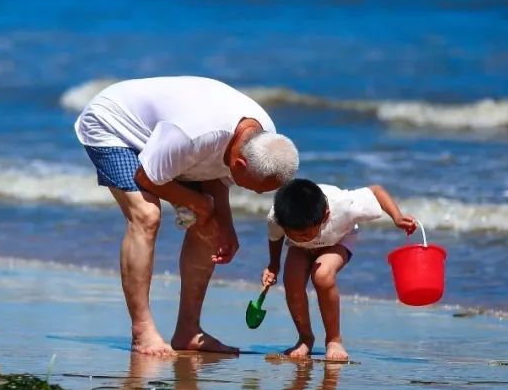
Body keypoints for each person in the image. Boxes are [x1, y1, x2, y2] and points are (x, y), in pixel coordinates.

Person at [75, 76, 299, 357]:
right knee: (146, 215)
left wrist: (225, 226)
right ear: (239, 164)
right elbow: (147, 176)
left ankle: (188, 331)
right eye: (256, 188)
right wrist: (199, 204)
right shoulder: (194, 134)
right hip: (114, 123)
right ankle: (142, 331)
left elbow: (216, 174)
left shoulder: (265, 139)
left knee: (209, 224)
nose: (257, 194)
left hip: (170, 141)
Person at [261, 178, 416, 362]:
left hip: (339, 240)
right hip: (298, 249)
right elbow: (275, 237)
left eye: (304, 234)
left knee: (322, 275)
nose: (301, 237)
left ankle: (334, 340)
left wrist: (397, 217)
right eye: (292, 233)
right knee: (291, 279)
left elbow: (375, 190)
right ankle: (305, 338)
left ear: (325, 215)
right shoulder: (278, 216)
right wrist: (273, 265)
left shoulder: (345, 205)